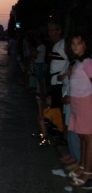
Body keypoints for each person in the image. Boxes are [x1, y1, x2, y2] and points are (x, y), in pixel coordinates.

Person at [66, 33, 92, 187]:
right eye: (73, 43)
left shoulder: (88, 62)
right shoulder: (78, 62)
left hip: (86, 102)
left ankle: (88, 172)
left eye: (79, 42)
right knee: (82, 137)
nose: (75, 46)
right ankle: (83, 166)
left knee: (89, 138)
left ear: (86, 45)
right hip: (77, 102)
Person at [48, 22, 67, 109]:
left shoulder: (62, 45)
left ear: (59, 31)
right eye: (49, 31)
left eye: (52, 31)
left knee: (57, 108)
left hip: (59, 83)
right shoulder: (57, 45)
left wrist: (64, 74)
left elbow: (69, 60)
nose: (50, 33)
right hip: (55, 82)